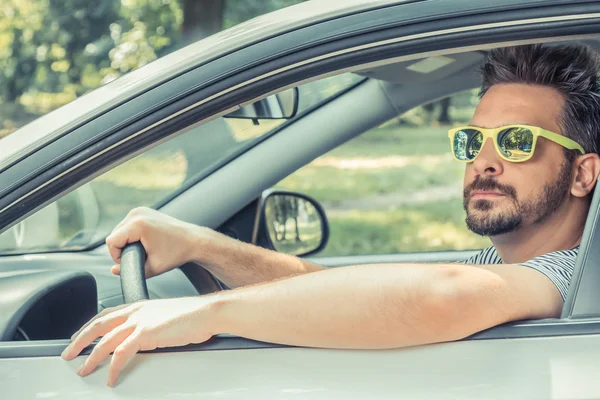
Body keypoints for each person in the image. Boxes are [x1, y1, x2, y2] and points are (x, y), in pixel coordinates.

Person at [62, 44, 600, 387]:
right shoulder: (503, 260)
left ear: (582, 175)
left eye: (516, 140)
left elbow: (439, 297)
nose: (484, 160)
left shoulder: (568, 276)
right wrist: (205, 246)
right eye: (472, 140)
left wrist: (208, 314)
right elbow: (347, 293)